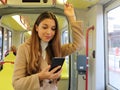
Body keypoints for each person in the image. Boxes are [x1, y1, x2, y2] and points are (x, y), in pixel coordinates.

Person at [12, 2, 85, 90]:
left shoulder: (57, 49)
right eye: (45, 27)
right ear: (36, 28)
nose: (49, 32)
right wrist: (39, 77)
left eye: (53, 29)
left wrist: (72, 18)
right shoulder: (24, 49)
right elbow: (17, 84)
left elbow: (79, 45)